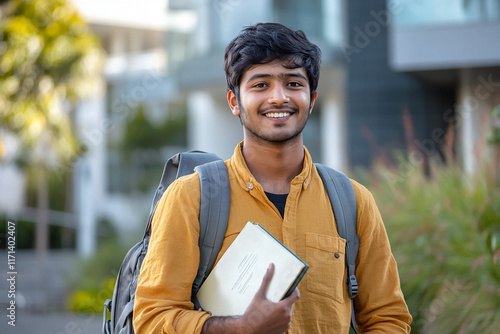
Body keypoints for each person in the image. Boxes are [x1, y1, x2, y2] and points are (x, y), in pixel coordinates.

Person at [133, 22, 412, 333]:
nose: (279, 97)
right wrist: (241, 328)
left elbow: (388, 318)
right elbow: (152, 318)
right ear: (234, 102)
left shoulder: (353, 201)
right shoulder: (190, 198)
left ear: (313, 98)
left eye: (293, 83)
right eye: (260, 85)